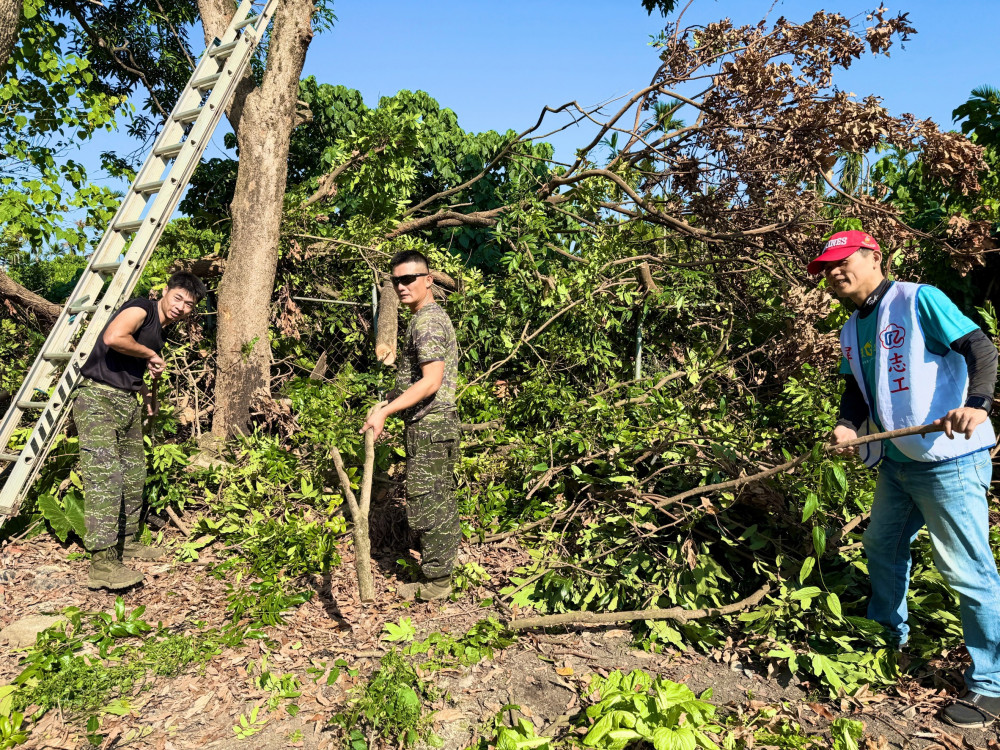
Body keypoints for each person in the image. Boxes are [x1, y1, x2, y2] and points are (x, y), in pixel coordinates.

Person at [809, 230, 1000, 728]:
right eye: (825, 269)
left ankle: (992, 688)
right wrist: (848, 425)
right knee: (883, 546)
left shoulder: (918, 299)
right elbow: (857, 389)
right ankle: (885, 639)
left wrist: (976, 405)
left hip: (948, 461)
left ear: (874, 257)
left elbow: (981, 349)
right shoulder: (851, 329)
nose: (832, 274)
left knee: (967, 572)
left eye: (841, 262)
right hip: (896, 462)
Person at [74, 271, 207, 590]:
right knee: (105, 475)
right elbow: (114, 337)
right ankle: (102, 564)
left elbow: (136, 363)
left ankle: (125, 541)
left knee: (134, 473)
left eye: (189, 305)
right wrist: (150, 354)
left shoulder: (159, 330)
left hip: (126, 401)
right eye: (178, 298)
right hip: (97, 397)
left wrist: (148, 396)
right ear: (166, 291)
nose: (181, 307)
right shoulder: (142, 309)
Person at [360, 250, 460, 601]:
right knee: (436, 500)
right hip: (431, 426)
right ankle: (438, 575)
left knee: (430, 503)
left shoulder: (427, 321)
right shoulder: (423, 318)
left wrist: (386, 413)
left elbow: (431, 381)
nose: (401, 286)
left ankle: (437, 584)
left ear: (428, 280)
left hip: (432, 427)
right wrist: (386, 403)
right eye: (395, 280)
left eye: (408, 279)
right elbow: (414, 379)